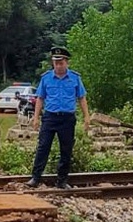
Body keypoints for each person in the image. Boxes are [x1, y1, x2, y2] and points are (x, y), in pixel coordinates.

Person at [26, 46, 91, 190]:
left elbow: (81, 97)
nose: (58, 66)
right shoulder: (46, 78)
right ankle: (36, 178)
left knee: (66, 150)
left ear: (67, 63)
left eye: (61, 63)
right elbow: (40, 98)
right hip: (50, 117)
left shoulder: (75, 78)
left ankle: (61, 181)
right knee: (43, 147)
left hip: (67, 118)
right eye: (56, 63)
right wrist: (36, 118)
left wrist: (87, 116)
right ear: (53, 63)